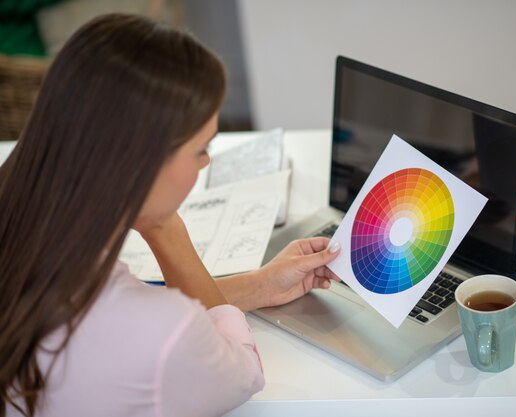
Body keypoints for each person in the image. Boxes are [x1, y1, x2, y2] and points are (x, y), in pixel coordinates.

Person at [0, 13, 341, 417]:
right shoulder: (158, 334)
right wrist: (164, 227)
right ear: (141, 165)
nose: (206, 162)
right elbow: (241, 371)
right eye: (201, 150)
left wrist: (259, 286)